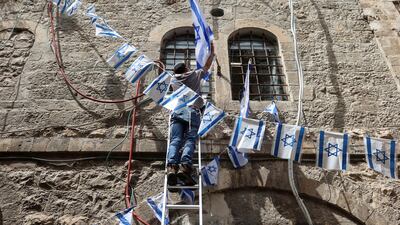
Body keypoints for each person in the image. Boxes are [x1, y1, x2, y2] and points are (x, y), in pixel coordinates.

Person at [167, 44, 214, 189]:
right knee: (190, 139)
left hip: (177, 111)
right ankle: (185, 165)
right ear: (186, 69)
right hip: (192, 111)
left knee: (175, 140)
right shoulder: (194, 74)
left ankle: (171, 167)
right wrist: (212, 51)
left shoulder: (172, 80)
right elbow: (207, 65)